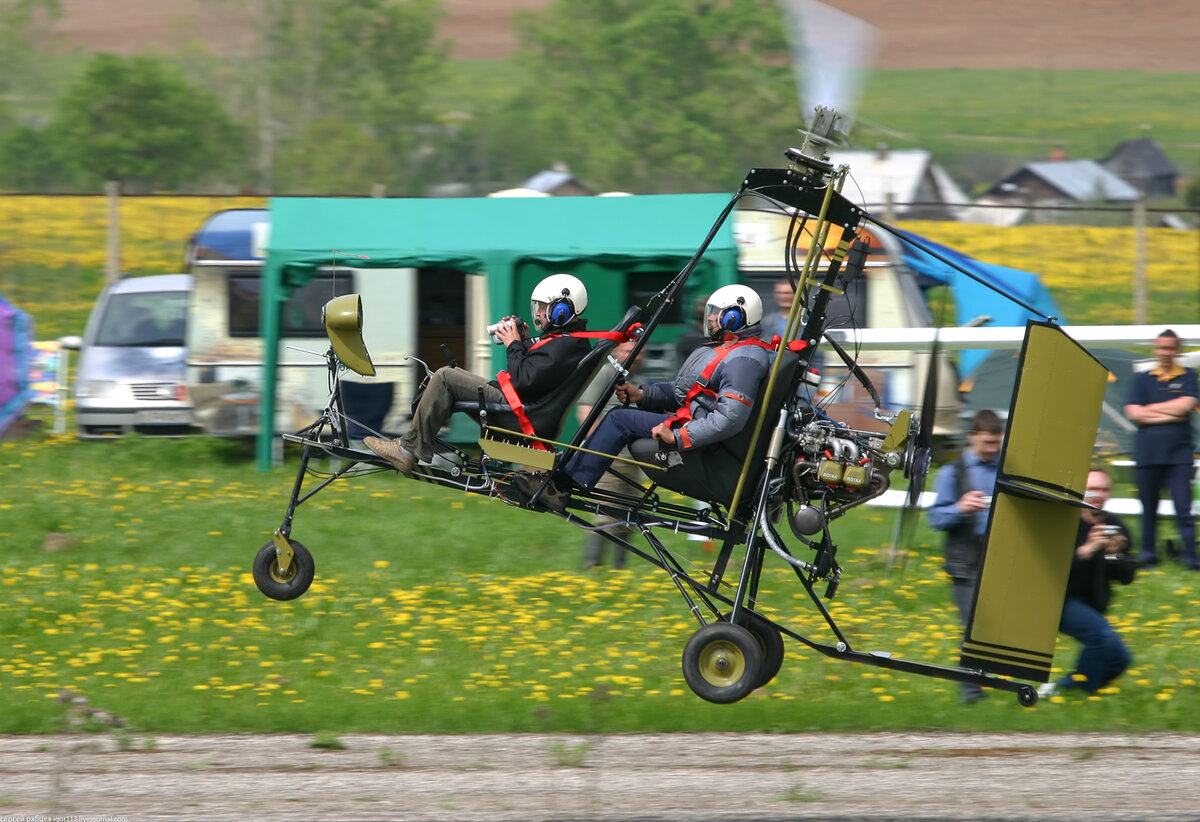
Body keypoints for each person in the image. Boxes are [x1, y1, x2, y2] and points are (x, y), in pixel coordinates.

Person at [513, 284, 774, 511]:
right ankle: (567, 472)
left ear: (735, 316)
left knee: (618, 420)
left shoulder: (744, 359)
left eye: (718, 313)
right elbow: (683, 393)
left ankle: (561, 486)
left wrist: (680, 436)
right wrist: (642, 394)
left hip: (700, 437)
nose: (712, 319)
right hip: (691, 421)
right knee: (619, 416)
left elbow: (731, 417)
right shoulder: (730, 349)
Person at [365, 273, 592, 476]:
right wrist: (521, 341)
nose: (539, 313)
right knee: (447, 377)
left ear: (562, 309)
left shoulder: (566, 345)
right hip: (523, 409)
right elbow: (535, 373)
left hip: (519, 416)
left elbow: (523, 381)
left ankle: (406, 450)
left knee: (445, 377)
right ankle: (418, 443)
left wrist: (513, 345)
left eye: (544, 307)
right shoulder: (568, 342)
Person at [1039, 467, 1137, 699]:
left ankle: (1066, 688)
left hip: (1093, 602)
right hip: (1059, 600)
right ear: (1080, 493)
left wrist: (1114, 553)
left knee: (1120, 659)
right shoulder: (1064, 523)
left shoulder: (1116, 526)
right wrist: (1086, 550)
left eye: (1103, 489)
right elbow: (1050, 570)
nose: (1098, 494)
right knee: (1102, 638)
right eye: (1092, 489)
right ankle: (1080, 693)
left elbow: (1127, 577)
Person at [928, 408, 1005, 703]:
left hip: (998, 559)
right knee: (974, 627)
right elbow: (935, 519)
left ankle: (987, 686)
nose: (992, 449)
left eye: (996, 443)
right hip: (965, 563)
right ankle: (971, 693)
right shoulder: (953, 472)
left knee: (996, 629)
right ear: (972, 437)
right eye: (987, 443)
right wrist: (961, 508)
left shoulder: (1004, 469)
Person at [1123, 329, 1198, 569]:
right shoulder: (1141, 379)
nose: (1165, 353)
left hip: (1179, 456)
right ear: (1155, 350)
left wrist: (1150, 411)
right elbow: (1133, 413)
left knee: (1183, 509)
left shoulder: (1189, 376)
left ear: (1178, 350)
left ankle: (1190, 557)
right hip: (1148, 454)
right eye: (1161, 348)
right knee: (1149, 509)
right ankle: (1147, 555)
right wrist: (1170, 410)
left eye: (1170, 348)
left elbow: (1186, 406)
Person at [576, 339, 641, 569]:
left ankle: (618, 572)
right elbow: (585, 412)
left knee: (628, 518)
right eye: (628, 350)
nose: (635, 355)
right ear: (617, 352)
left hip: (630, 461)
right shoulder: (605, 373)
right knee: (605, 514)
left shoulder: (634, 380)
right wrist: (601, 450)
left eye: (638, 351)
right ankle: (592, 567)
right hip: (609, 459)